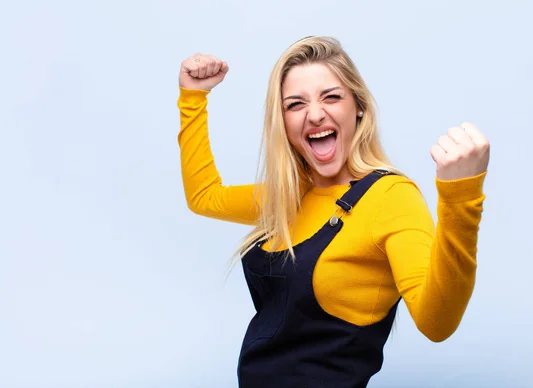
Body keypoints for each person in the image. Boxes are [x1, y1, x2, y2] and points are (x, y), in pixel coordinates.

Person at [176, 36, 489, 387]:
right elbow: (204, 196)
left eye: (331, 97)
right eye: (295, 104)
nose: (314, 114)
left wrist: (461, 196)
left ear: (358, 106)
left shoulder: (390, 197)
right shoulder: (288, 196)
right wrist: (193, 97)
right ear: (283, 122)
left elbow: (437, 322)